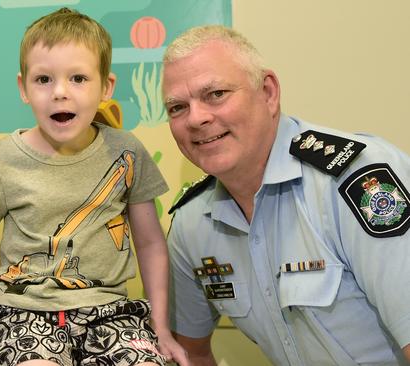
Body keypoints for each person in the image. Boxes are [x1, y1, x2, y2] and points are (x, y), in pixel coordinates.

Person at [0, 8, 188, 366]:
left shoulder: (127, 151)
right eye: (44, 80)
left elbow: (151, 243)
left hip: (111, 313)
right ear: (23, 88)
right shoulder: (3, 159)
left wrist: (160, 329)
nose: (60, 93)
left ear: (106, 87)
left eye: (78, 78)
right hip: (22, 314)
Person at [163, 24, 410, 365]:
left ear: (268, 92)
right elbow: (189, 352)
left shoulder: (356, 179)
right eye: (177, 107)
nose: (196, 118)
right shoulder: (191, 226)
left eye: (216, 94)